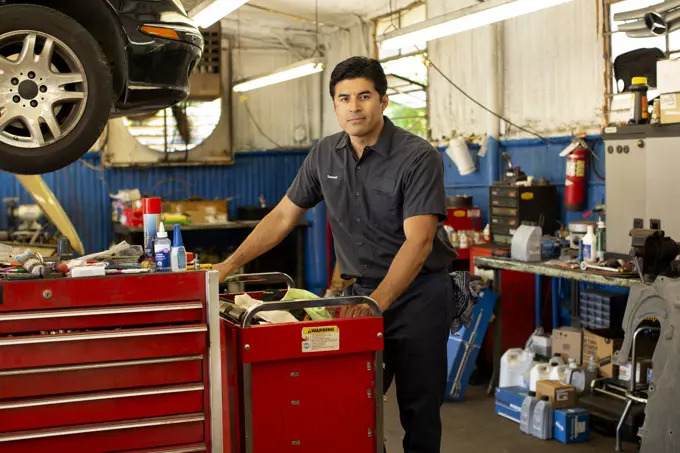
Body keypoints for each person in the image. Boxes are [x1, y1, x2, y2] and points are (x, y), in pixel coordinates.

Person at [215, 56, 456, 453]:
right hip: (360, 295)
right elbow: (281, 217)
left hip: (418, 297)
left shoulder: (417, 157)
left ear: (383, 101)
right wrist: (227, 266)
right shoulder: (324, 155)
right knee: (350, 401)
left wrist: (377, 302)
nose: (354, 107)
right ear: (334, 106)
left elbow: (420, 242)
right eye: (344, 98)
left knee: (420, 409)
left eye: (364, 96)